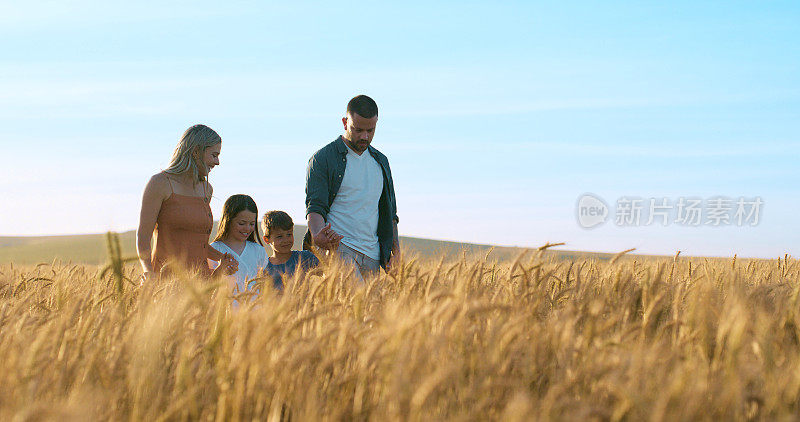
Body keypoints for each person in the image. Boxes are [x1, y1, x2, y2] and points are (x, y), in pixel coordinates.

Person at [305, 95, 400, 280]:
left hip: (373, 254)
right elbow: (315, 207)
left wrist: (396, 252)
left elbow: (391, 214)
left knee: (369, 309)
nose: (364, 136)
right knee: (354, 300)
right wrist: (317, 234)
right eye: (358, 130)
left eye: (370, 130)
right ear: (344, 122)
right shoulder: (323, 158)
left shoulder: (381, 162)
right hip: (340, 249)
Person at [136, 124, 238, 280]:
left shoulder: (206, 189)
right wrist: (148, 272)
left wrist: (222, 258)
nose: (217, 162)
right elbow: (143, 237)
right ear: (196, 152)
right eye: (214, 155)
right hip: (166, 281)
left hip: (201, 282)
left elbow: (197, 243)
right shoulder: (160, 183)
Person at [209, 194, 267, 294]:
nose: (247, 228)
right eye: (242, 223)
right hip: (223, 308)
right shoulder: (214, 249)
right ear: (228, 220)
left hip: (254, 308)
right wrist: (220, 270)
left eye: (252, 224)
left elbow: (265, 284)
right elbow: (207, 285)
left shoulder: (258, 250)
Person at [262, 211, 319, 290]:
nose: (285, 240)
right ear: (266, 239)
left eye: (289, 234)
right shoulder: (264, 267)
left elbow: (328, 272)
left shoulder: (305, 258)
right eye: (279, 236)